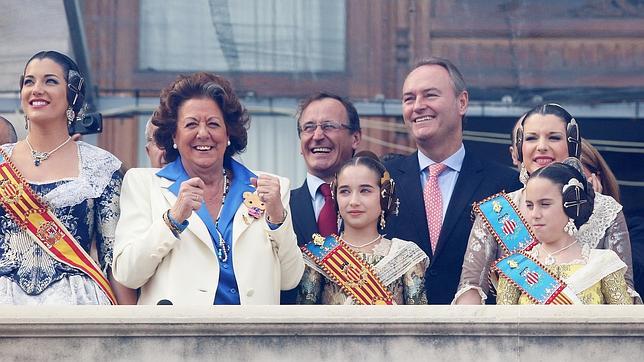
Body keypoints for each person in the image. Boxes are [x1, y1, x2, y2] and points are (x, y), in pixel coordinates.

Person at [112, 72, 304, 305]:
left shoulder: (272, 189)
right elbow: (128, 275)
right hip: (176, 336)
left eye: (213, 124)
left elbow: (290, 280)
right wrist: (173, 219)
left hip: (252, 336)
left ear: (228, 133)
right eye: (191, 124)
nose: (203, 134)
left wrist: (277, 219)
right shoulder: (143, 184)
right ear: (174, 135)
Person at [455, 103, 639, 304]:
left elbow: (624, 295)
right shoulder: (496, 212)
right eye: (531, 138)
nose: (541, 146)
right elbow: (470, 289)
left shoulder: (606, 210)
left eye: (554, 137)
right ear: (519, 147)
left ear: (573, 145)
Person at [0, 50, 135, 304]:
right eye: (29, 81)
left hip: (77, 304)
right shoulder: (1, 162)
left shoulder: (101, 167)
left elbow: (114, 260)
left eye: (50, 81)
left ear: (72, 93)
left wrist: (131, 335)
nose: (37, 89)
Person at [384, 57, 521, 304]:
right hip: (397, 333)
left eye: (430, 95)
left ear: (462, 102)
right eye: (409, 99)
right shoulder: (382, 180)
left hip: (476, 333)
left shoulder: (505, 185)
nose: (417, 106)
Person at [297, 152, 428, 305]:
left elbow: (418, 323)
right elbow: (305, 322)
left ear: (385, 196)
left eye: (365, 190)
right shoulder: (319, 255)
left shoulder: (406, 255)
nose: (353, 201)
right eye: (345, 191)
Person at [496, 160, 632, 304]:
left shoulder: (603, 263)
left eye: (545, 204)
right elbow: (502, 325)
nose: (534, 214)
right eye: (529, 205)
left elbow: (626, 323)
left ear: (572, 205)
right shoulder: (516, 267)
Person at [282, 92, 361, 304]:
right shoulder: (280, 209)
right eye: (308, 128)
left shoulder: (380, 207)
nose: (317, 135)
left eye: (329, 126)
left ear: (355, 138)